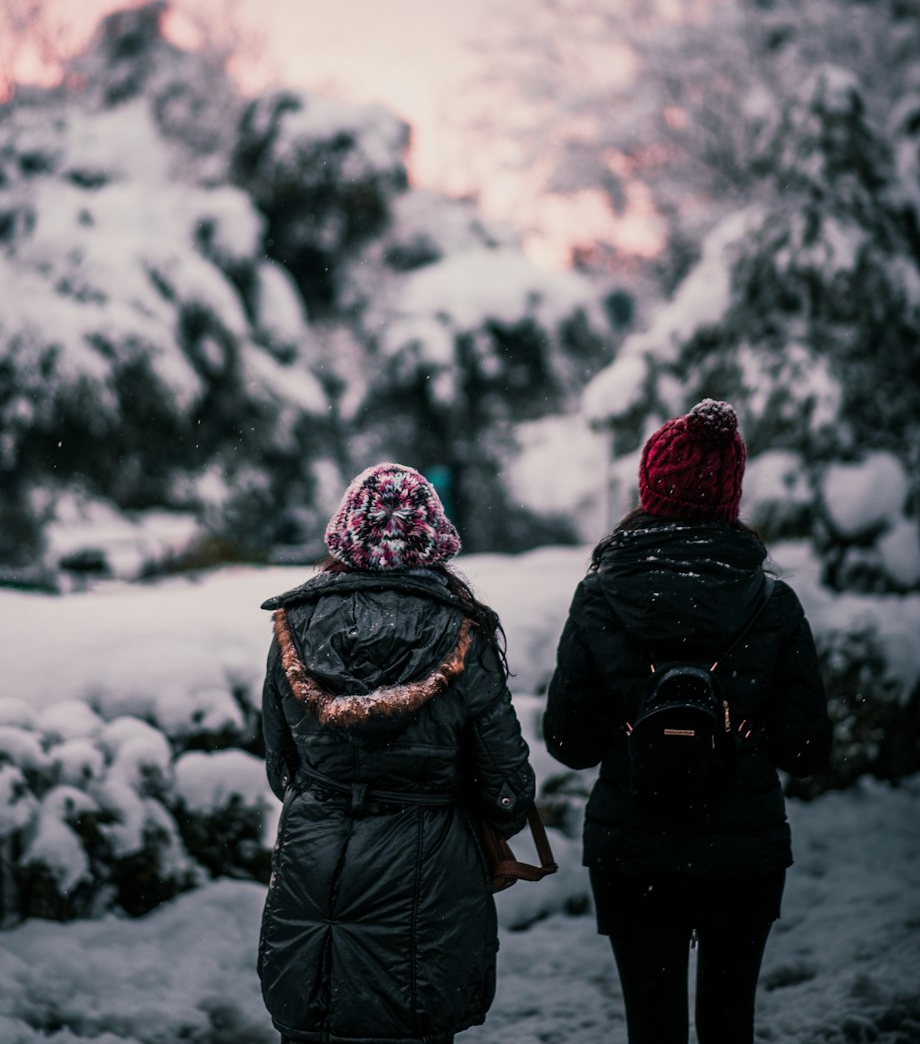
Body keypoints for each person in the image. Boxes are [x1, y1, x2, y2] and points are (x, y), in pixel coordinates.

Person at [543, 399, 832, 1044]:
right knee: (731, 1025)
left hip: (632, 846)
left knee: (653, 1030)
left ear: (649, 488)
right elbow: (808, 747)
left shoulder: (600, 594)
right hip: (743, 849)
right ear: (731, 493)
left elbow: (568, 742)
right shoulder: (772, 602)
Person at [258, 461, 535, 1044]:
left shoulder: (293, 626)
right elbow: (506, 781)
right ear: (432, 541)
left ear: (344, 536)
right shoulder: (465, 631)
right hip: (431, 873)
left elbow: (281, 765)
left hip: (316, 865)